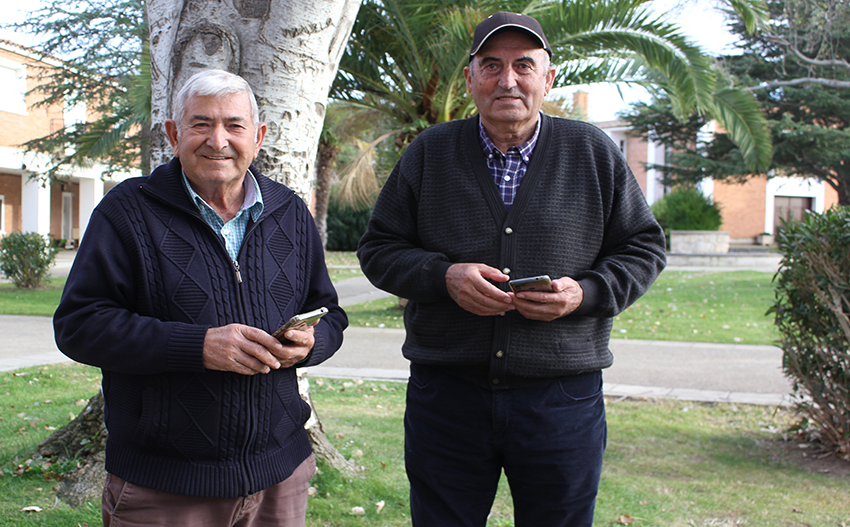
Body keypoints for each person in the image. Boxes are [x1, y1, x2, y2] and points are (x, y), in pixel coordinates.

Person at [357, 11, 666, 527]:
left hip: (562, 399)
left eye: (524, 65)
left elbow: (644, 246)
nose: (508, 80)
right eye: (491, 65)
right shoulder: (430, 152)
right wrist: (443, 277)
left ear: (549, 78)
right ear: (470, 77)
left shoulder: (592, 152)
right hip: (447, 397)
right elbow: (379, 248)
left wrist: (585, 293)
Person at [53, 69, 347, 527]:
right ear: (173, 134)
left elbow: (332, 313)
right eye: (200, 124)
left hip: (279, 477)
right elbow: (80, 325)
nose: (218, 140)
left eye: (234, 125)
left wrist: (313, 342)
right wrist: (199, 346)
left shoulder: (290, 211)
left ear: (259, 136)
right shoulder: (127, 211)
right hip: (165, 487)